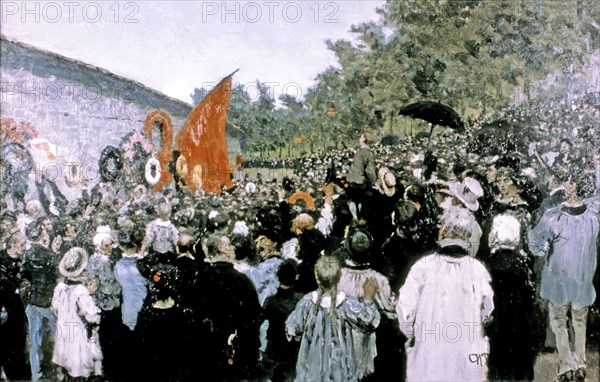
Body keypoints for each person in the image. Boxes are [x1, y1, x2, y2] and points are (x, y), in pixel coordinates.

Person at [396, 207, 494, 382]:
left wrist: (412, 336)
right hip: (466, 348)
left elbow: (406, 311)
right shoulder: (477, 269)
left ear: (444, 231)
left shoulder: (423, 266)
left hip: (429, 350)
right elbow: (487, 310)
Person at [528, 174, 599, 382]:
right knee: (579, 320)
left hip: (559, 278)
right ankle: (580, 364)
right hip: (583, 277)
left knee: (559, 321)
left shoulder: (553, 216)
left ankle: (566, 366)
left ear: (570, 186)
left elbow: (536, 246)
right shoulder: (594, 213)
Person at [285, 255, 381, 382]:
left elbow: (291, 328)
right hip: (340, 371)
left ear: (316, 277)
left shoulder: (307, 303)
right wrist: (368, 299)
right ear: (339, 276)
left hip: (311, 372)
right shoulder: (346, 303)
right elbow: (368, 321)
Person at [52, 247, 102, 380]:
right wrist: (96, 318)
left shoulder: (60, 287)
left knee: (66, 360)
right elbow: (91, 315)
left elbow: (55, 307)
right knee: (79, 363)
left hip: (64, 328)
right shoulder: (81, 290)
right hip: (77, 331)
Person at [346, 131, 377, 221]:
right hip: (361, 183)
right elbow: (370, 171)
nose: (359, 139)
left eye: (361, 137)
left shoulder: (358, 153)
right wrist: (373, 181)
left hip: (351, 182)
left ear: (364, 139)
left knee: (352, 200)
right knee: (362, 201)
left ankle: (354, 218)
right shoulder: (369, 153)